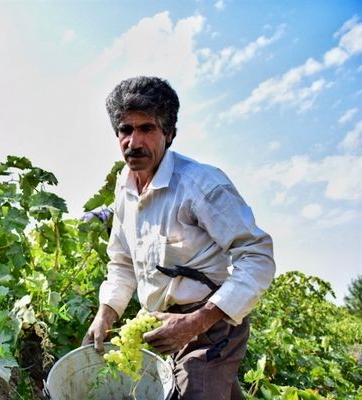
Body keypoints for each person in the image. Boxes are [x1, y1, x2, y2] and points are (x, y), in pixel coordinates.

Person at [82, 76, 276, 399]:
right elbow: (122, 261)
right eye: (125, 130)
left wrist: (196, 323)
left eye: (147, 128)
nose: (134, 141)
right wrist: (106, 313)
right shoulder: (125, 188)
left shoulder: (199, 185)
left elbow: (257, 256)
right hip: (164, 326)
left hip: (212, 326)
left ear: (169, 134)